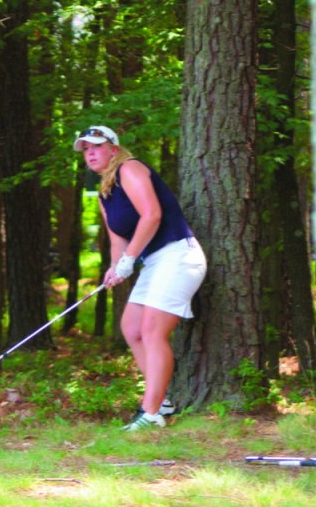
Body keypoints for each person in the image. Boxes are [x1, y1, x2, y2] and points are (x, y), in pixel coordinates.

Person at [74, 125, 207, 431]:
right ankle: (161, 401)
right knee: (132, 328)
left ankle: (151, 413)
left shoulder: (130, 169)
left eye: (96, 146)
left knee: (151, 331)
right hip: (155, 262)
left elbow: (152, 215)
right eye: (86, 149)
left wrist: (129, 260)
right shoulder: (104, 194)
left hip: (178, 255)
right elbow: (117, 239)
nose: (90, 153)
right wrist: (115, 267)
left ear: (114, 149)